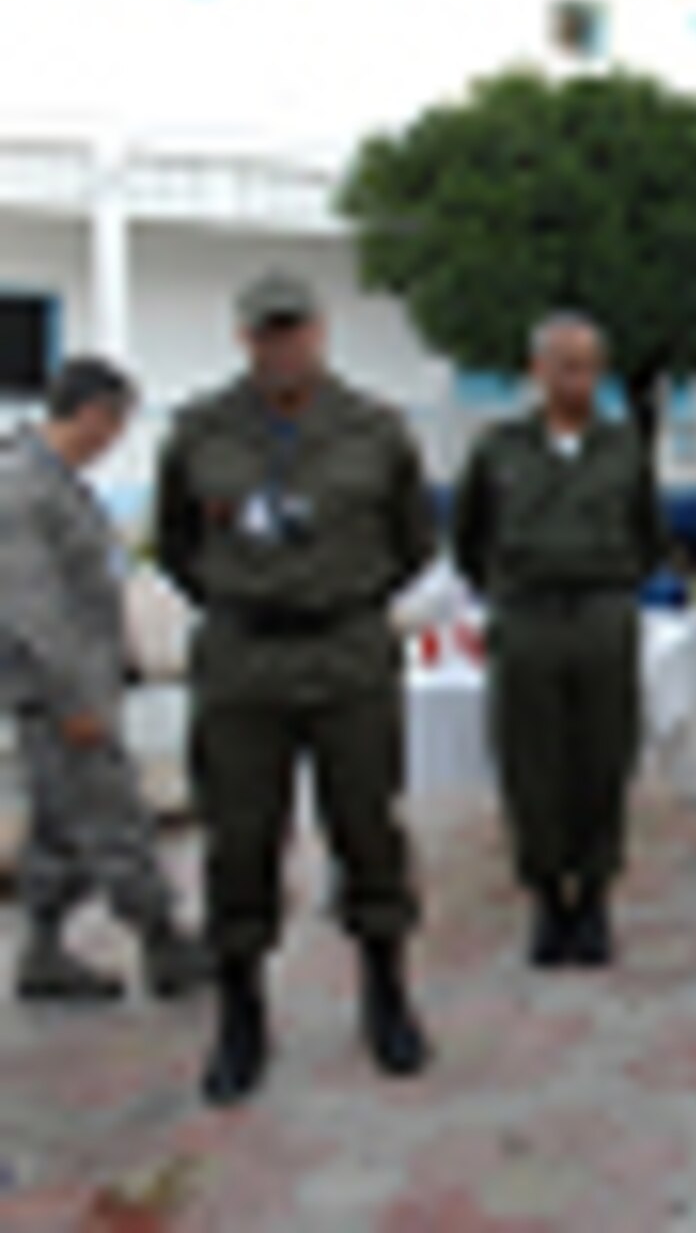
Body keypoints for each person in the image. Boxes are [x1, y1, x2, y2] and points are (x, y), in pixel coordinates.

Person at [156, 270, 435, 1106]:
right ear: (244, 339)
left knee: (368, 829)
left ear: (321, 332)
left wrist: (341, 599)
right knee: (239, 841)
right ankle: (241, 1015)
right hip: (244, 664)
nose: (283, 347)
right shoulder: (200, 432)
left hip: (348, 658)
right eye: (266, 333)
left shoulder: (377, 431)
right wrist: (245, 602)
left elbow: (412, 543)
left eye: (296, 330)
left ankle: (386, 996)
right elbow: (177, 547)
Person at [451, 313, 662, 967]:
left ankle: (594, 897)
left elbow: (647, 533)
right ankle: (547, 900)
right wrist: (507, 590)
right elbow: (468, 539)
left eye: (589, 366)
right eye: (564, 365)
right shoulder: (498, 448)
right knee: (530, 764)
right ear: (536, 370)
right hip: (527, 618)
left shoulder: (624, 446)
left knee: (603, 758)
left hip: (603, 616)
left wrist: (615, 584)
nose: (578, 379)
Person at [0, 358, 209, 1004]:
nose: (116, 438)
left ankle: (42, 953)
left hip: (79, 686)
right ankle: (163, 941)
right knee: (116, 817)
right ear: (94, 415)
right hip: (63, 695)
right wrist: (75, 699)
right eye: (117, 423)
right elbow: (34, 609)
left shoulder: (57, 482)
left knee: (61, 827)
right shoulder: (23, 487)